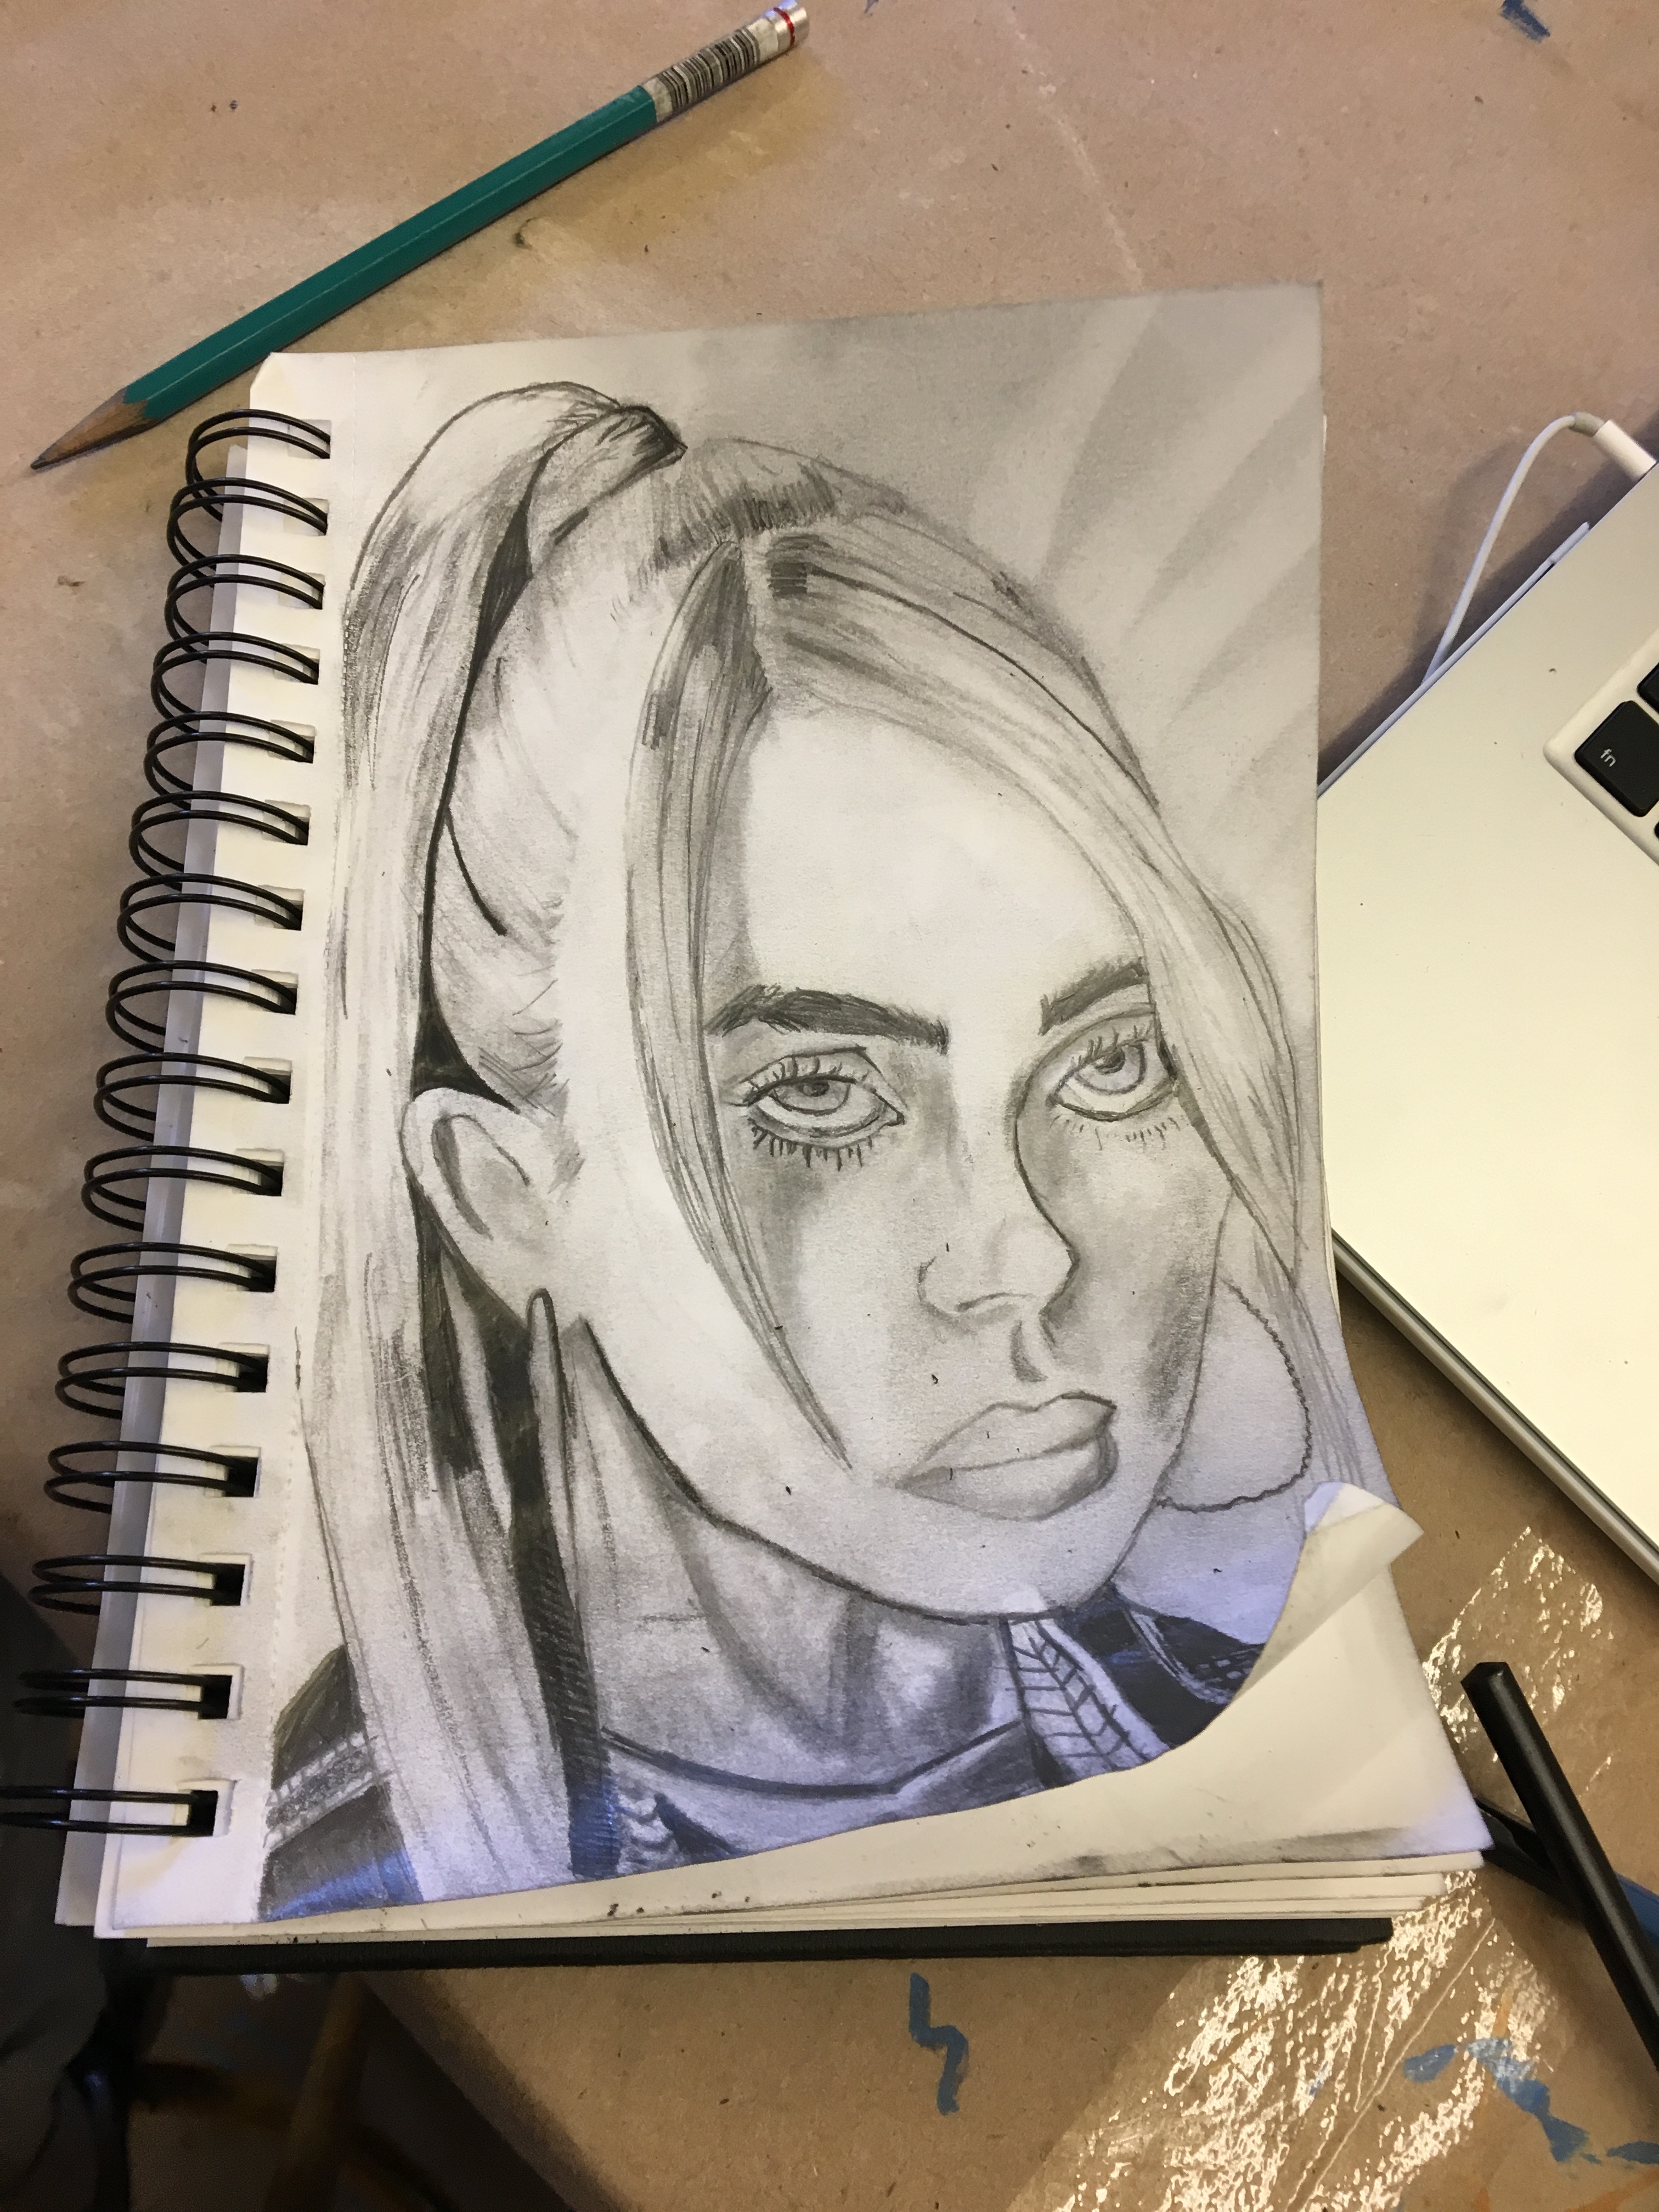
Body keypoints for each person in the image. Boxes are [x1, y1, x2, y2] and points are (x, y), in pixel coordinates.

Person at [261, 383, 1371, 1917]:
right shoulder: (340, 1856)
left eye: (1111, 1060)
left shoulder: (1255, 1719)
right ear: (503, 1194)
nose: (1027, 1256)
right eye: (819, 1094)